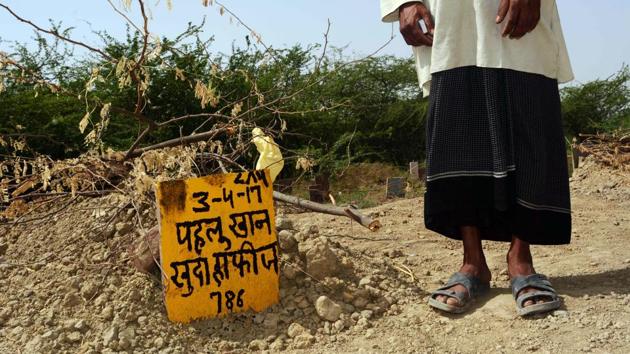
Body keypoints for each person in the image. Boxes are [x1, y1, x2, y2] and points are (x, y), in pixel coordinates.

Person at [380, 0, 573, 316]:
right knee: (460, 134)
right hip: (451, 15)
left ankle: (521, 260)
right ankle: (473, 262)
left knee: (528, 116)